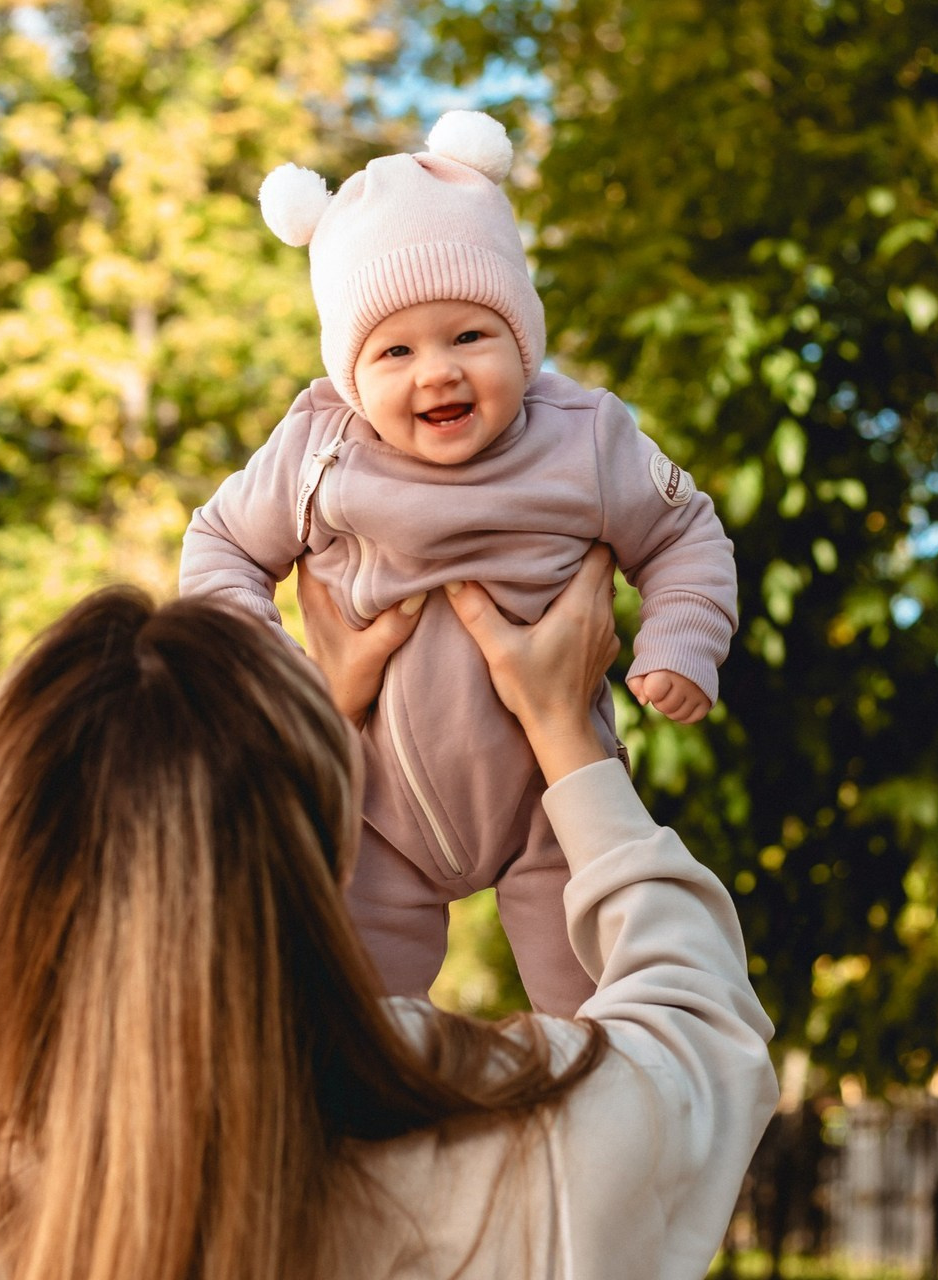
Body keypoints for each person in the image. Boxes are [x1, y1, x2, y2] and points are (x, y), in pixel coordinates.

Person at [0, 549, 777, 1280]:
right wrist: (562, 728)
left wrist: (304, 748)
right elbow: (705, 1031)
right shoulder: (525, 1143)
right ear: (336, 840)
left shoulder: (27, 1204)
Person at [180, 109, 738, 1015]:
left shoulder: (585, 438)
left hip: (551, 803)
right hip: (375, 806)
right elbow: (219, 547)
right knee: (346, 1023)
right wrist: (281, 683)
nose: (436, 372)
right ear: (351, 374)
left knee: (600, 1025)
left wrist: (681, 640)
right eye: (395, 351)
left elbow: (686, 534)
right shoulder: (320, 447)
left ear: (522, 338)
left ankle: (593, 1083)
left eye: (469, 336)